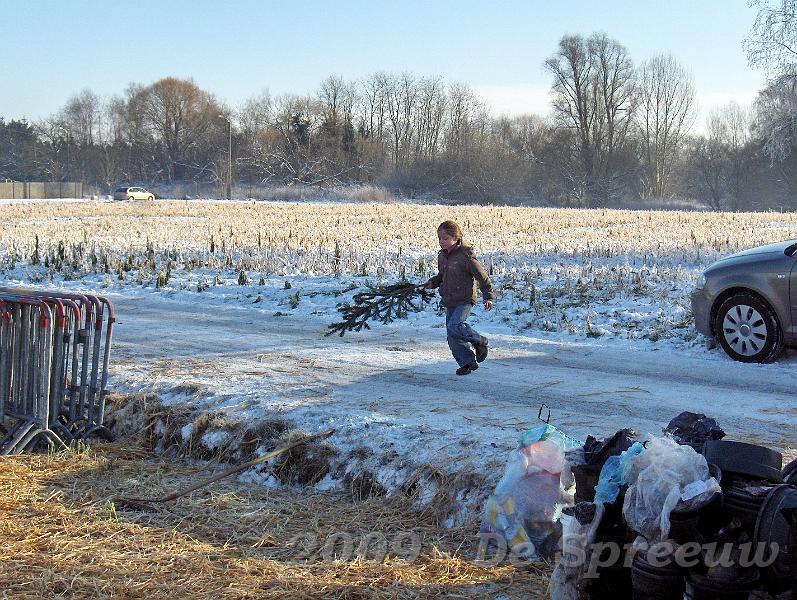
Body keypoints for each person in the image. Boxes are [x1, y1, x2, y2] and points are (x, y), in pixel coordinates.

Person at [424, 220, 494, 375]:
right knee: (452, 335)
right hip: (450, 299)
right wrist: (433, 283)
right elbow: (443, 276)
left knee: (455, 325)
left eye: (445, 238)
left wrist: (487, 296)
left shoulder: (465, 255)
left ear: (456, 238)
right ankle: (467, 362)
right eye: (439, 238)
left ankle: (480, 341)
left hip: (464, 298)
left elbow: (482, 276)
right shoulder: (442, 256)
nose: (442, 242)